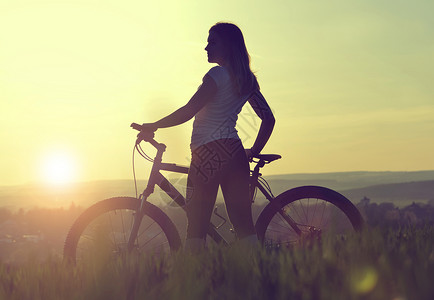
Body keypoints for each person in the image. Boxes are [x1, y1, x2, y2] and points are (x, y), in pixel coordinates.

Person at [137, 22, 275, 252]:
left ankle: (195, 281)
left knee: (197, 227)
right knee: (244, 227)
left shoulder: (217, 74)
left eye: (212, 42)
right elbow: (268, 119)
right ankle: (259, 276)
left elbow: (189, 110)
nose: (206, 47)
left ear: (228, 46)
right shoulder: (247, 80)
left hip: (208, 154)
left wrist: (154, 125)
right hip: (234, 152)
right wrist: (254, 150)